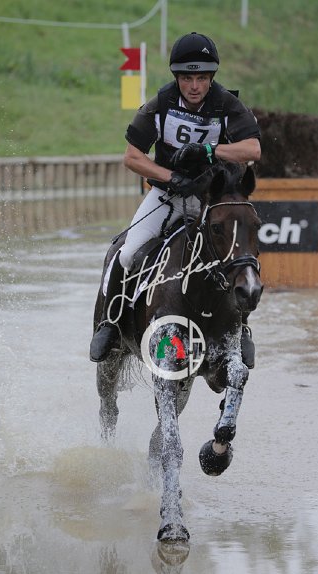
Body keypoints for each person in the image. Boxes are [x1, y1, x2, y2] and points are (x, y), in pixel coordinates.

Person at [90, 32, 261, 365]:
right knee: (127, 253)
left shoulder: (227, 105)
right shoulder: (160, 105)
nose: (194, 86)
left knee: (235, 257)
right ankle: (111, 324)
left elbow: (253, 149)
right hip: (166, 196)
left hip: (210, 202)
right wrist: (170, 177)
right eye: (187, 78)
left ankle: (240, 329)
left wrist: (209, 150)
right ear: (176, 77)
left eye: (202, 78)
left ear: (211, 77)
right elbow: (132, 157)